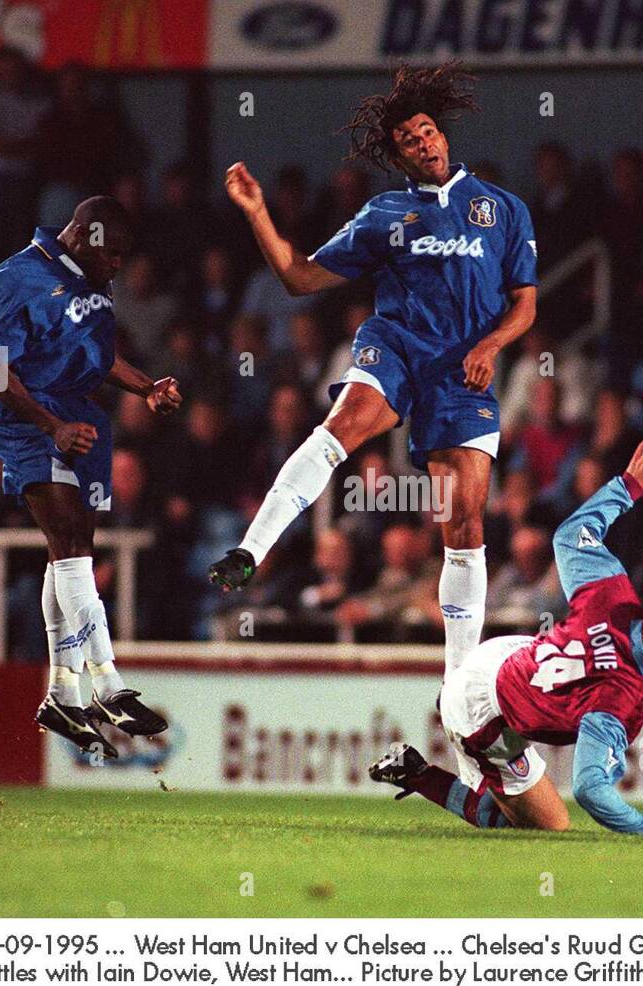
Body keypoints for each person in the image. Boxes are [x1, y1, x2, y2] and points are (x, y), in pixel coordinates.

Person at [209, 63, 538, 681]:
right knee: (341, 427)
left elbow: (526, 304)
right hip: (398, 347)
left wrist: (491, 345)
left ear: (442, 133)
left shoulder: (503, 208)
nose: (424, 143)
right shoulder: (385, 215)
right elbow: (299, 277)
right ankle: (251, 550)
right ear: (399, 155)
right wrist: (257, 213)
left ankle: (461, 683)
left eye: (428, 130)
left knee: (463, 520)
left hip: (461, 369)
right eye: (409, 139)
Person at [369, 435, 643, 838]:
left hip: (503, 656)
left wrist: (629, 485)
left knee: (524, 772)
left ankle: (457, 707)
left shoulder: (613, 594)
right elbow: (589, 789)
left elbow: (570, 536)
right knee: (547, 824)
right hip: (486, 712)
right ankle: (419, 772)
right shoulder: (624, 696)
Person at [0, 196, 182, 757]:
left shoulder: (93, 279)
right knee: (69, 539)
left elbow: (98, 354)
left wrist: (145, 387)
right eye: (113, 253)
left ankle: (62, 696)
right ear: (86, 236)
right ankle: (109, 684)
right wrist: (51, 427)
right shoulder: (16, 278)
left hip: (80, 415)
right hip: (30, 421)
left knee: (72, 552)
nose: (119, 264)